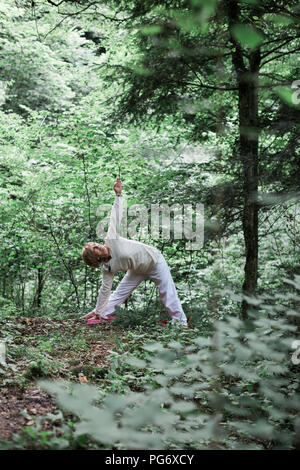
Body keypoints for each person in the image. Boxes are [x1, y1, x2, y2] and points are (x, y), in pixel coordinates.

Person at [82, 178, 188, 326]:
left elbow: (115, 218)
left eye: (95, 244)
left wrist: (118, 196)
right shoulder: (108, 268)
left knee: (167, 292)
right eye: (95, 249)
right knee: (118, 294)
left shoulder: (110, 239)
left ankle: (181, 323)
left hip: (154, 261)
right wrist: (98, 310)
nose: (98, 245)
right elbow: (105, 290)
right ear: (96, 257)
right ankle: (101, 316)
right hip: (137, 269)